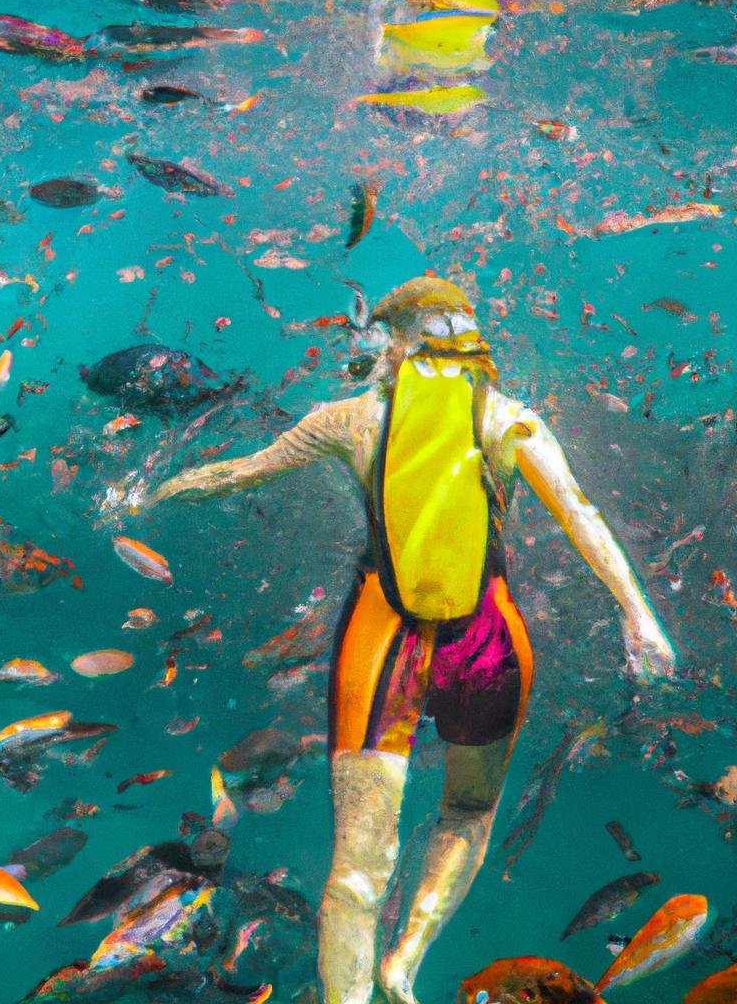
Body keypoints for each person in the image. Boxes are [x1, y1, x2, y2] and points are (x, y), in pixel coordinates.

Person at [144, 276, 675, 1004]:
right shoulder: (508, 418)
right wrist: (638, 615)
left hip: (381, 635)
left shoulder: (351, 420)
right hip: (488, 636)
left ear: (396, 341)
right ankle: (408, 960)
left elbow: (244, 472)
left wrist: (156, 492)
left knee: (358, 865)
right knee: (469, 812)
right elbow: (581, 516)